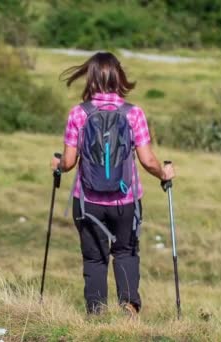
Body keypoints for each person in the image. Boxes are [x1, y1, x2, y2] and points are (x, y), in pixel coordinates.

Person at [50, 52, 175, 316]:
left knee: (94, 257)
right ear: (119, 77)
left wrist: (57, 164)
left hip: (87, 202)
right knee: (126, 252)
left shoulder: (78, 113)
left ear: (91, 77)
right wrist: (163, 174)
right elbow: (147, 160)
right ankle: (129, 308)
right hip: (125, 201)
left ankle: (96, 313)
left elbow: (70, 161)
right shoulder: (134, 114)